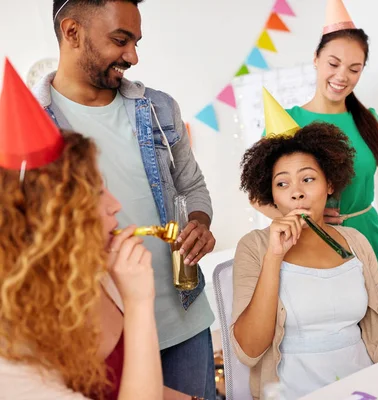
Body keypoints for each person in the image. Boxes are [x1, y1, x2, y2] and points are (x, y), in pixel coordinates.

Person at [33, 1, 216, 396]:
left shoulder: (159, 109)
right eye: (121, 40)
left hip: (183, 321)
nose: (133, 56)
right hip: (100, 337)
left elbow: (193, 187)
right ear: (72, 32)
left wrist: (199, 222)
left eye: (135, 41)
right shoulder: (32, 128)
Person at [231, 92, 378, 400]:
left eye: (307, 179)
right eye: (282, 184)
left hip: (364, 388)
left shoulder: (356, 242)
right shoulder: (254, 247)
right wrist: (274, 257)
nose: (296, 192)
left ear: (329, 184)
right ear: (270, 194)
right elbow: (249, 350)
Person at [0, 59, 163, 399]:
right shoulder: (9, 350)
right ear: (47, 221)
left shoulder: (95, 275)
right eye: (93, 193)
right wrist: (139, 304)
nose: (115, 204)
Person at [256, 0, 378, 296]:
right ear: (316, 59)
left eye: (354, 69)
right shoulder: (288, 122)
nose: (342, 77)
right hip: (313, 243)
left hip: (367, 237)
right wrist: (307, 218)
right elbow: (257, 195)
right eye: (333, 64)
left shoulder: (368, 121)